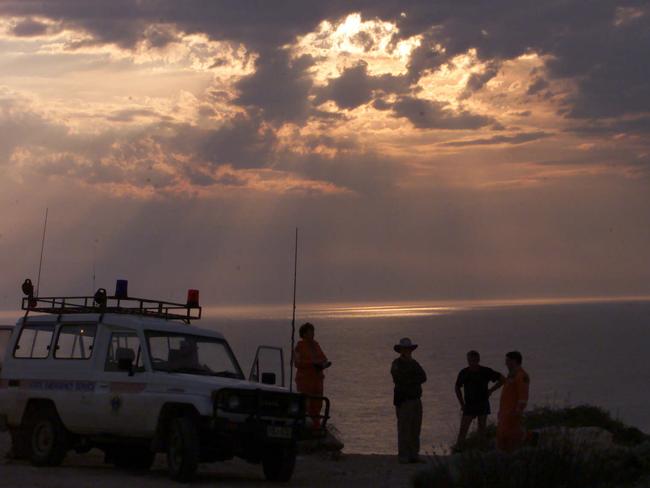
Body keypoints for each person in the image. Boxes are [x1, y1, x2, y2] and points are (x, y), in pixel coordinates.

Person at [454, 350, 504, 450]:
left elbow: (502, 379)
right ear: (468, 360)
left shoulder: (485, 371)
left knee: (481, 430)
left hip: (482, 403)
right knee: (463, 430)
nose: (472, 362)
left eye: (474, 360)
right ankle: (459, 450)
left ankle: (482, 450)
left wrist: (491, 390)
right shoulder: (464, 372)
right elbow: (457, 387)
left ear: (478, 360)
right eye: (470, 360)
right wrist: (462, 404)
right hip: (469, 404)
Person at [391, 337, 427, 464]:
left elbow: (423, 377)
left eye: (408, 349)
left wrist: (411, 378)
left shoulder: (414, 363)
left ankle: (413, 454)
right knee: (404, 428)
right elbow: (399, 379)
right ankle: (403, 455)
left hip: (416, 399)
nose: (407, 351)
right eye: (405, 349)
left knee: (415, 428)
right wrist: (413, 378)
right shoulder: (396, 364)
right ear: (401, 350)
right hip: (404, 400)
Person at [294, 322, 331, 429]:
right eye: (310, 331)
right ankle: (305, 425)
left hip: (317, 381)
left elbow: (324, 358)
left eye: (313, 331)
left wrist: (323, 364)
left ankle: (316, 426)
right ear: (304, 333)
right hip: (305, 381)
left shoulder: (316, 345)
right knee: (306, 405)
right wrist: (311, 364)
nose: (313, 334)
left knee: (318, 405)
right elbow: (297, 363)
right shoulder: (299, 347)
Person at [496, 351, 530, 452]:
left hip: (512, 414)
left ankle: (530, 438)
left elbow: (523, 396)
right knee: (503, 437)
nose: (506, 363)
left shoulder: (521, 376)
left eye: (508, 361)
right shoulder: (511, 375)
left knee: (510, 437)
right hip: (505, 413)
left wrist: (518, 411)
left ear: (514, 361)